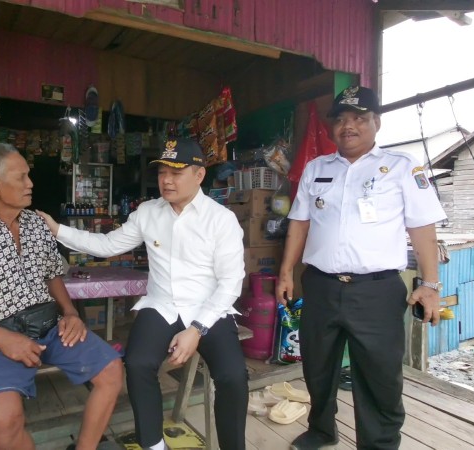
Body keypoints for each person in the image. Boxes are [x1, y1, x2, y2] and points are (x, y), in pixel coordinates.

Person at [39, 137, 248, 450]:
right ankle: (153, 445)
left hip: (208, 310)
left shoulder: (221, 220)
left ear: (199, 175)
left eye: (176, 173)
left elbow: (231, 282)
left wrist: (197, 329)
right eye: (162, 172)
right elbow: (108, 245)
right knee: (137, 363)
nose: (166, 180)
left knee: (233, 376)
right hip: (161, 305)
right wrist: (58, 230)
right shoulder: (148, 212)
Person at [275, 86, 446, 450]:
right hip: (320, 286)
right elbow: (300, 224)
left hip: (377, 291)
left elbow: (422, 228)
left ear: (376, 122)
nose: (348, 126)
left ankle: (379, 444)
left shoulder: (402, 167)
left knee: (379, 375)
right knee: (317, 368)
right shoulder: (316, 168)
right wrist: (287, 271)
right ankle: (321, 430)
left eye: (359, 118)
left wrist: (430, 284)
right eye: (341, 119)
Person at [0, 143, 123, 450]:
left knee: (111, 370)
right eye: (21, 177)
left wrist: (70, 313)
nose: (30, 183)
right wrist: (4, 339)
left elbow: (52, 274)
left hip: (48, 326)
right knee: (4, 419)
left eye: (28, 176)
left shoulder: (36, 225)